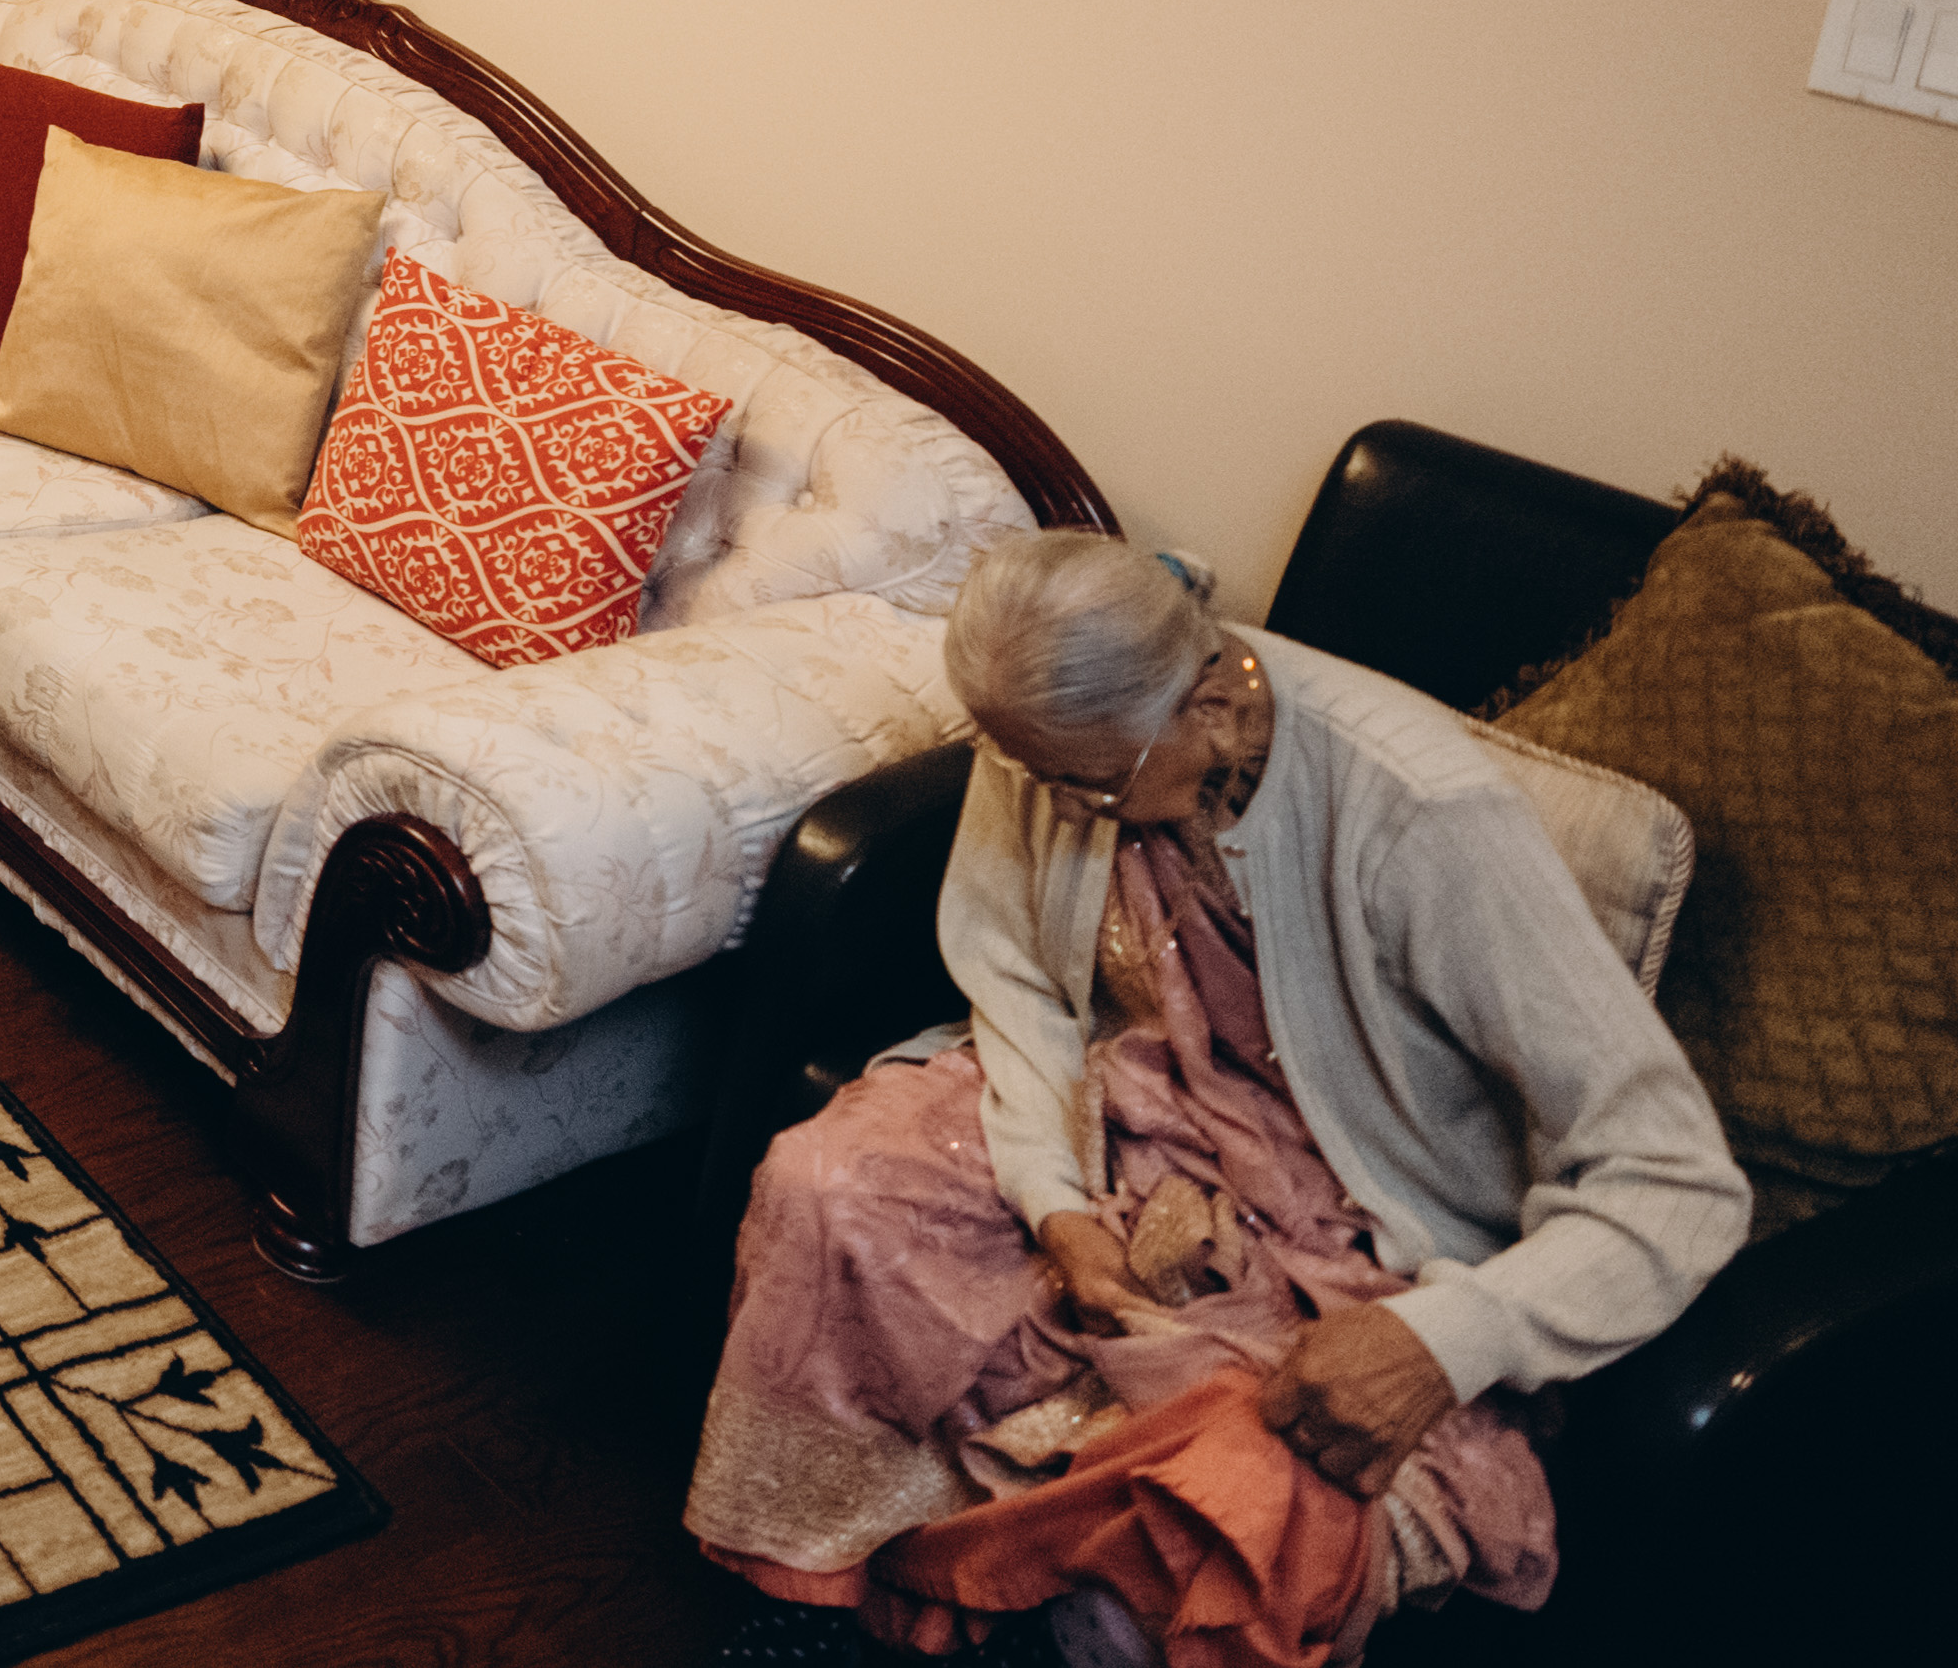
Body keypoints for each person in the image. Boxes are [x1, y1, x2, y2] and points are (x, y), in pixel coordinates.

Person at [688, 531, 1746, 1663]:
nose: (1061, 809)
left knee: (1236, 1498)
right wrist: (1055, 1203)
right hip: (1135, 1097)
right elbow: (1019, 981)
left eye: (1091, 784)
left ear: (1213, 708)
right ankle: (814, 1596)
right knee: (825, 1185)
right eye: (1035, 776)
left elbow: (1677, 1181)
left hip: (1364, 1211)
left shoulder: (1427, 817)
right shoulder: (1054, 742)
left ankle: (1015, 1605)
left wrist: (1439, 1339)